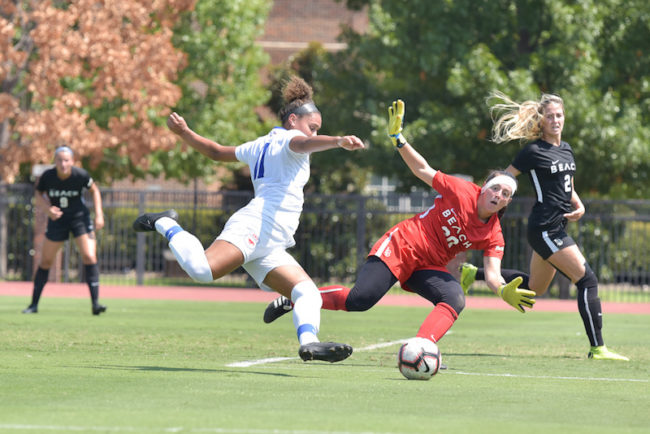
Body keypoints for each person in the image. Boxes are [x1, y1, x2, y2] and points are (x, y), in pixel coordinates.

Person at [263, 99, 536, 347]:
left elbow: (492, 274)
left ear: (507, 203)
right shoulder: (462, 190)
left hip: (427, 266)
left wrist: (501, 290)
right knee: (359, 300)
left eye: (505, 194)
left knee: (454, 298)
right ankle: (299, 298)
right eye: (496, 188)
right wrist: (398, 138)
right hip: (402, 246)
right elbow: (422, 169)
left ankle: (421, 348)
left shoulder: (494, 234)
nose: (498, 195)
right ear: (484, 187)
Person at [133, 76, 364, 362]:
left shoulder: (259, 144)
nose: (314, 133)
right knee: (202, 270)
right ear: (293, 120)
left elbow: (217, 152)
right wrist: (337, 141)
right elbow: (304, 144)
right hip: (256, 225)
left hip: (271, 240)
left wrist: (185, 133)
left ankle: (310, 344)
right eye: (312, 127)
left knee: (308, 293)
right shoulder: (292, 140)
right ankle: (165, 222)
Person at [459, 91, 628, 361]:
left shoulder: (567, 148)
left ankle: (473, 273)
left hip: (556, 227)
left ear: (564, 117)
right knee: (587, 280)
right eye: (549, 116)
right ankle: (598, 348)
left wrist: (579, 204)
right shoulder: (533, 151)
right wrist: (489, 203)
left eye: (559, 115)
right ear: (542, 120)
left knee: (536, 289)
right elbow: (505, 177)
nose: (555, 120)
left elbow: (567, 184)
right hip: (545, 228)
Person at [23, 146, 106, 315]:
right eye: (59, 160)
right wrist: (48, 210)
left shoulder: (80, 175)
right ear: (55, 161)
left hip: (79, 219)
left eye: (66, 160)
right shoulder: (48, 177)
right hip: (58, 220)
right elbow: (38, 195)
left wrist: (99, 215)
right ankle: (33, 305)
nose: (63, 163)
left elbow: (95, 190)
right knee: (46, 261)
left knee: (89, 256)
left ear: (72, 161)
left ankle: (95, 304)